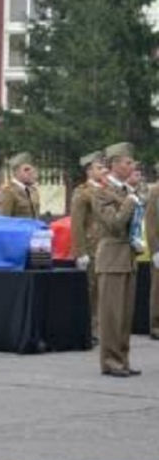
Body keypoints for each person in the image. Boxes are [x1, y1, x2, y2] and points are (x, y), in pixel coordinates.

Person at [92, 142, 142, 378]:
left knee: (124, 315)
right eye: (127, 162)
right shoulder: (101, 192)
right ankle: (110, 361)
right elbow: (113, 224)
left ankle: (122, 359)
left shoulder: (125, 191)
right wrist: (130, 205)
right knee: (111, 315)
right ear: (114, 165)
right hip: (111, 258)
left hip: (127, 257)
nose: (131, 166)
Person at [71, 151, 105, 343]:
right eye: (99, 168)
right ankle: (89, 329)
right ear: (89, 171)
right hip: (90, 247)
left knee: (101, 290)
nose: (103, 171)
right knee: (90, 290)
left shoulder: (104, 190)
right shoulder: (82, 192)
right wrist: (80, 252)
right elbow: (77, 224)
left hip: (104, 247)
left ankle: (98, 328)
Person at [0, 152, 39, 219]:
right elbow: (4, 219)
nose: (30, 172)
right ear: (16, 172)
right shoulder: (9, 191)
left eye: (32, 169)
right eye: (26, 170)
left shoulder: (33, 191)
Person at [145, 162, 159, 341]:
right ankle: (156, 325)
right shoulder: (154, 192)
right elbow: (150, 223)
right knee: (158, 288)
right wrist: (155, 249)